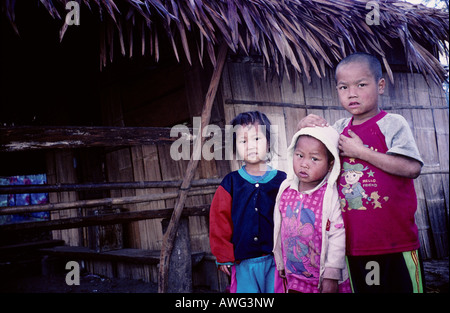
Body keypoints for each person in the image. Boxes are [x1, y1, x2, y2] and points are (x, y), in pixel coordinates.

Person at [297, 52, 424, 293]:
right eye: (344, 87)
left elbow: (412, 168)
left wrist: (361, 152)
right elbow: (312, 157)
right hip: (354, 246)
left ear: (381, 86)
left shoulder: (392, 123)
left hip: (396, 242)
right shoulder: (337, 130)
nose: (352, 93)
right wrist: (305, 128)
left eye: (361, 85)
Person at [209, 111, 287, 293]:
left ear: (268, 143)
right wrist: (223, 255)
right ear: (235, 148)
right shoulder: (231, 183)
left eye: (257, 139)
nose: (250, 146)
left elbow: (290, 218)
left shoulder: (282, 181)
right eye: (243, 141)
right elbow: (219, 221)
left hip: (277, 262)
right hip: (243, 263)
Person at [273, 126, 350, 293]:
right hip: (293, 277)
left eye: (314, 159)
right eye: (299, 155)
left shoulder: (330, 195)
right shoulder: (286, 189)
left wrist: (331, 275)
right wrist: (280, 261)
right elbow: (279, 229)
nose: (304, 164)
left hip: (321, 280)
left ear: (331, 165)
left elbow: (338, 235)